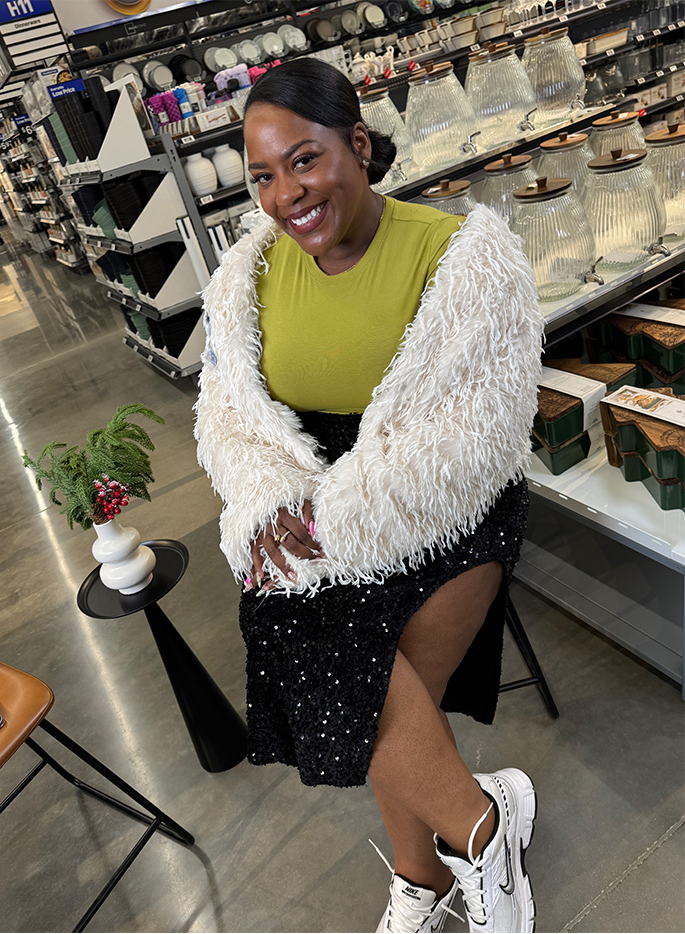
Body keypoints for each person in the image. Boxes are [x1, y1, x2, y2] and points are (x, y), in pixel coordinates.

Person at [195, 58, 544, 934]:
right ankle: (477, 832)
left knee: (352, 674)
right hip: (313, 504)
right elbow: (232, 417)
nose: (286, 195)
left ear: (357, 143)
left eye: (304, 160)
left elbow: (475, 432)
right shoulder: (248, 274)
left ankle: (459, 850)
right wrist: (273, 496)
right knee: (317, 642)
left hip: (443, 509)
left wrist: (341, 520)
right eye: (263, 176)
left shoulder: (459, 254)